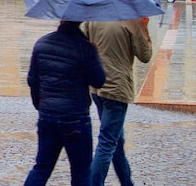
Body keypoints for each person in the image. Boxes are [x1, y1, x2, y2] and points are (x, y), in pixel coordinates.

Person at [24, 20, 106, 186]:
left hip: (47, 115)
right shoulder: (85, 47)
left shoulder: (41, 43)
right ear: (80, 21)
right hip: (75, 118)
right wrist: (95, 55)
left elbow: (33, 80)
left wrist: (42, 107)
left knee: (41, 168)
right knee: (81, 173)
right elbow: (98, 81)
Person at [82, 18, 153, 186]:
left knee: (116, 141)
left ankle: (126, 182)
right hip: (117, 89)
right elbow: (145, 55)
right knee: (107, 142)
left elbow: (83, 44)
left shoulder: (94, 16)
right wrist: (144, 28)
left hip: (97, 87)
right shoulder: (130, 20)